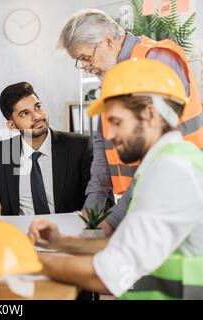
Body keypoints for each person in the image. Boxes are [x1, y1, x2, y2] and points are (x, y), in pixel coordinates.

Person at [29, 58, 203, 300]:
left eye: (116, 122)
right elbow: (120, 245)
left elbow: (107, 274)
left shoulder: (172, 172)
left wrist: (24, 259)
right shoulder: (161, 166)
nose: (108, 135)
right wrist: (60, 242)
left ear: (151, 114)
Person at [56, 8, 203, 241]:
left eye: (86, 58)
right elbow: (102, 148)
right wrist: (91, 212)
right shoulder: (111, 77)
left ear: (106, 41)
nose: (86, 67)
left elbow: (158, 155)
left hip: (176, 194)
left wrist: (114, 220)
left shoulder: (157, 60)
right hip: (140, 203)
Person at [0, 82, 92, 219]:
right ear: (12, 125)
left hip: (67, 235)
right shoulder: (1, 153)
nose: (37, 116)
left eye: (37, 106)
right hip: (18, 237)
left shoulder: (80, 146)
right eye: (25, 113)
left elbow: (103, 201)